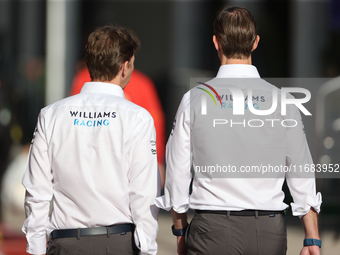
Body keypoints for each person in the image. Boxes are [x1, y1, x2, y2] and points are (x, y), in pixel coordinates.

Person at [155, 6, 322, 255]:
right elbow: (300, 171)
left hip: (211, 230)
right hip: (267, 232)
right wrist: (312, 238)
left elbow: (177, 173)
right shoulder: (283, 102)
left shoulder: (194, 99)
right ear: (255, 43)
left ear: (216, 42)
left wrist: (180, 231)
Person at [22, 24, 160, 255]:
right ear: (124, 67)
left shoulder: (51, 114)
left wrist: (36, 248)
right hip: (117, 243)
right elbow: (144, 195)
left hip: (64, 243)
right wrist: (148, 249)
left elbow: (36, 191)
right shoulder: (137, 118)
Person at [70, 65, 166, 188]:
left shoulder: (142, 83)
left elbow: (156, 125)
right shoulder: (83, 77)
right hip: (119, 165)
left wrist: (157, 162)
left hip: (90, 163)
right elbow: (155, 125)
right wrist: (157, 162)